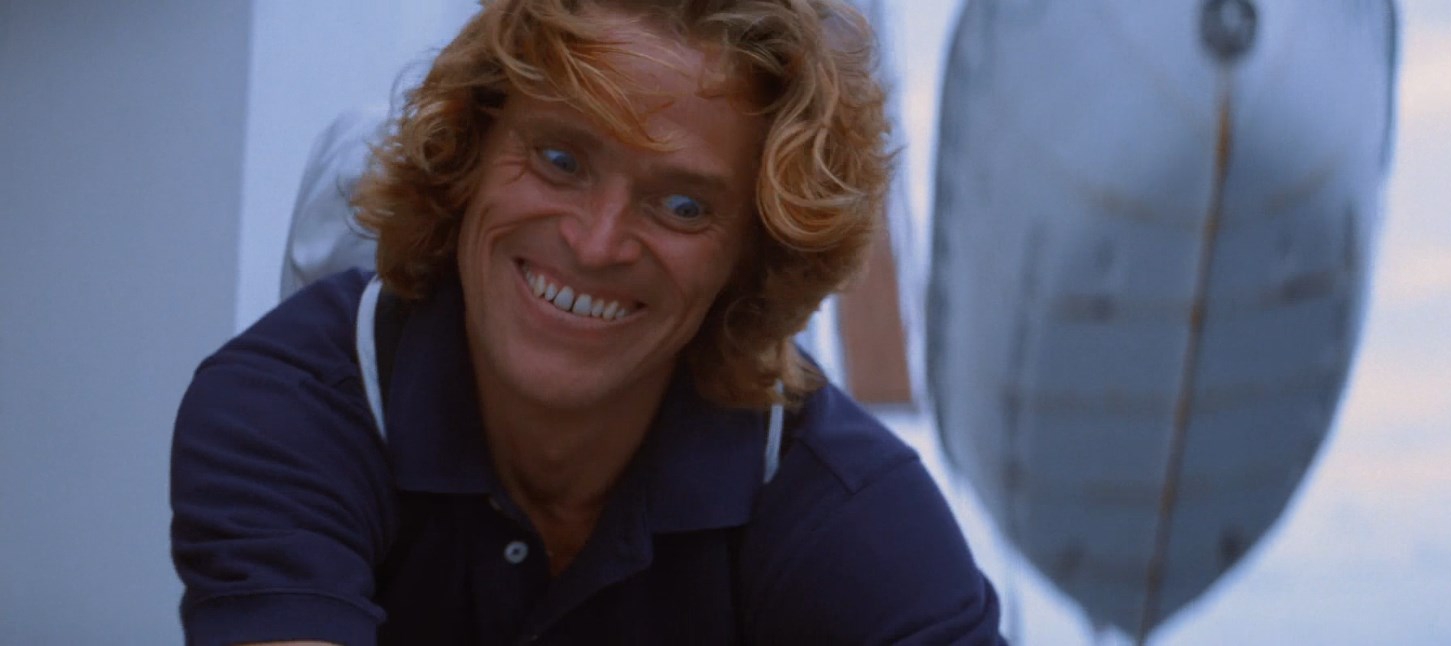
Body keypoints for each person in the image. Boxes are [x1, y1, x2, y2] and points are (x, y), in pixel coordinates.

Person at [170, 0, 1002, 643]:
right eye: (560, 159)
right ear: (468, 150)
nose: (595, 243)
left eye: (682, 206)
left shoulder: (836, 500)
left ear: (753, 260)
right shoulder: (297, 405)